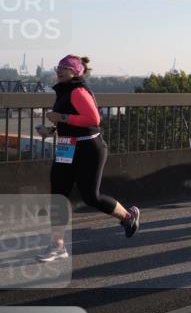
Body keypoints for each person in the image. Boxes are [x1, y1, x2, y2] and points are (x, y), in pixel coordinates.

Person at [37, 55, 139, 262]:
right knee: (58, 195)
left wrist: (61, 118)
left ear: (76, 72)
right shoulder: (64, 91)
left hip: (89, 147)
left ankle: (128, 217)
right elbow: (72, 118)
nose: (60, 70)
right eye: (59, 67)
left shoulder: (78, 91)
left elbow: (93, 119)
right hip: (68, 146)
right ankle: (58, 246)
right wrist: (52, 129)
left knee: (90, 196)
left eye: (65, 68)